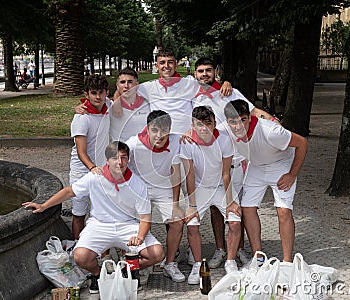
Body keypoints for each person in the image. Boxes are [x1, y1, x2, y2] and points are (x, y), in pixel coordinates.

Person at [22, 141, 164, 294]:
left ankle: (125, 269)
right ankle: (98, 273)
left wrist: (140, 237)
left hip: (128, 225)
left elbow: (145, 218)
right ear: (107, 160)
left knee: (157, 254)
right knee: (80, 256)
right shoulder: (95, 177)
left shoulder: (138, 184)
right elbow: (70, 191)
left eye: (124, 158)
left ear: (128, 160)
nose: (120, 162)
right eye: (115, 158)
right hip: (99, 225)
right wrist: (43, 205)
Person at [189, 57, 278, 268]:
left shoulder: (229, 93)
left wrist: (273, 121)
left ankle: (240, 249)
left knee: (240, 208)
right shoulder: (191, 96)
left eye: (208, 70)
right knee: (215, 209)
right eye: (200, 71)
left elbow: (253, 112)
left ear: (215, 71)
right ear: (194, 74)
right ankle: (221, 249)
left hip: (237, 161)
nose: (204, 74)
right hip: (210, 163)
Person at [223, 99, 308, 264]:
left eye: (243, 120)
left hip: (281, 164)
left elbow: (303, 143)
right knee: (247, 208)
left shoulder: (271, 131)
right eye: (233, 122)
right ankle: (258, 256)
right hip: (256, 166)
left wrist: (292, 174)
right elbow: (206, 131)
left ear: (249, 117)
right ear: (227, 122)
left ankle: (287, 261)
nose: (238, 126)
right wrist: (188, 134)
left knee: (283, 211)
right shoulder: (225, 130)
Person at [180, 106, 243, 283]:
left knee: (235, 222)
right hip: (199, 188)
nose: (204, 128)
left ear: (215, 123)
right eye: (199, 124)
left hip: (221, 187)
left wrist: (230, 201)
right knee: (192, 224)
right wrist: (192, 205)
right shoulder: (186, 143)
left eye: (208, 123)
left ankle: (230, 262)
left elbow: (226, 173)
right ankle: (197, 264)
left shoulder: (223, 140)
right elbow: (190, 175)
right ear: (193, 125)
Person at [126, 110, 185, 282]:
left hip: (164, 188)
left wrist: (175, 204)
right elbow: (119, 166)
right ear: (147, 129)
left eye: (164, 131)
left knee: (177, 221)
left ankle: (170, 263)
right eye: (154, 130)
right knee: (139, 223)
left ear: (170, 130)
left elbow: (176, 173)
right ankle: (145, 263)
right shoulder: (133, 144)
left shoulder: (176, 141)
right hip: (140, 189)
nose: (159, 136)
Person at [69, 74, 110, 240]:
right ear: (86, 94)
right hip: (82, 172)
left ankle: (101, 251)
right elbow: (81, 152)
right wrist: (93, 168)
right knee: (79, 214)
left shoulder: (110, 107)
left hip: (102, 171)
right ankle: (78, 248)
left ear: (107, 92)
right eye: (94, 93)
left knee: (102, 213)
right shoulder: (81, 118)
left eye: (101, 92)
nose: (98, 97)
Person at [110, 67, 150, 142]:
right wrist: (80, 108)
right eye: (122, 82)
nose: (126, 86)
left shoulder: (148, 105)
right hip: (119, 152)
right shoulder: (110, 106)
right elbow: (92, 105)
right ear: (117, 85)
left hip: (142, 150)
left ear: (137, 84)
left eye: (130, 82)